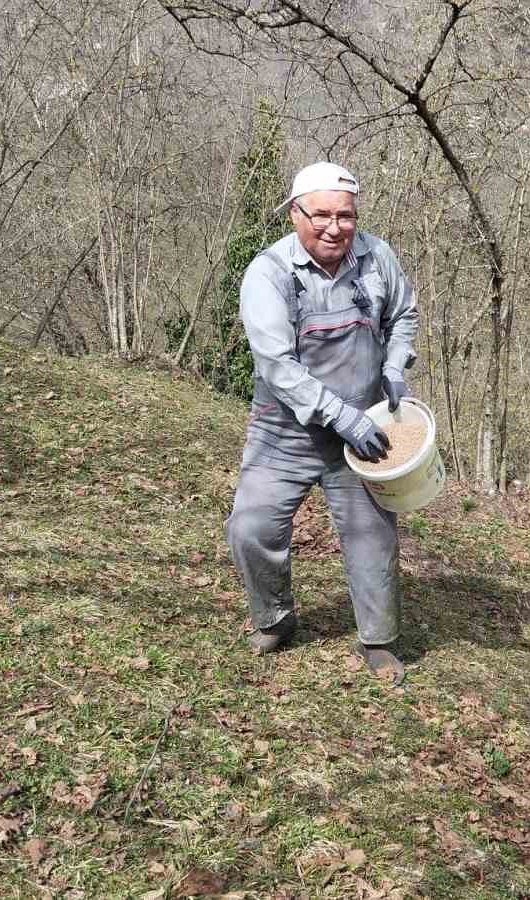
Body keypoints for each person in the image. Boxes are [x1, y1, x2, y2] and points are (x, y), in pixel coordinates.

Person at [224, 162, 419, 685]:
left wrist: (396, 366)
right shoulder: (268, 273)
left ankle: (378, 640)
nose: (335, 227)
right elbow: (276, 366)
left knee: (372, 537)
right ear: (295, 215)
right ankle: (275, 618)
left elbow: (403, 316)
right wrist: (340, 417)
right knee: (251, 526)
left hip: (366, 432)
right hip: (284, 431)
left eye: (346, 216)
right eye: (322, 216)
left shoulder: (378, 259)